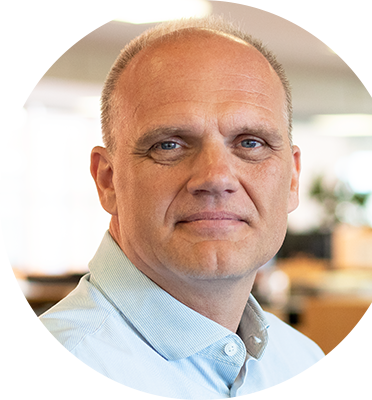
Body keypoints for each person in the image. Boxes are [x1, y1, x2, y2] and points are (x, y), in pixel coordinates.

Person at [40, 16, 324, 399]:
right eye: (169, 145)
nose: (216, 177)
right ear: (108, 181)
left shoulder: (304, 362)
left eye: (250, 143)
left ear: (292, 179)